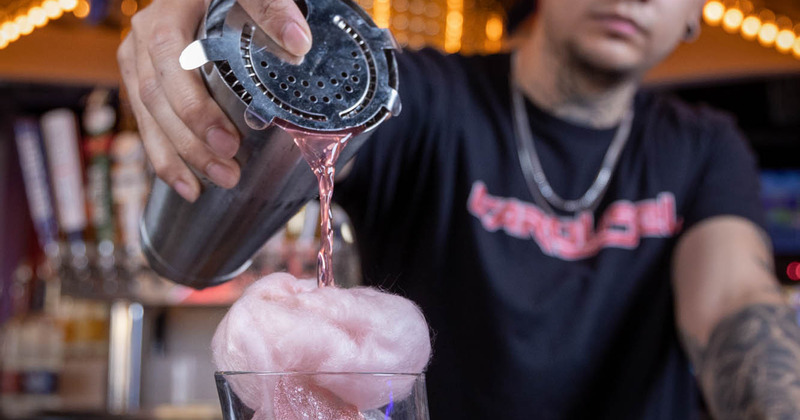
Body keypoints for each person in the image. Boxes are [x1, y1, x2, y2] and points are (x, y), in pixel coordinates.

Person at [118, 0, 800, 418]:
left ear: (695, 15)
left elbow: (735, 305)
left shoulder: (704, 149)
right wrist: (218, 30)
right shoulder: (427, 101)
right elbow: (314, 106)